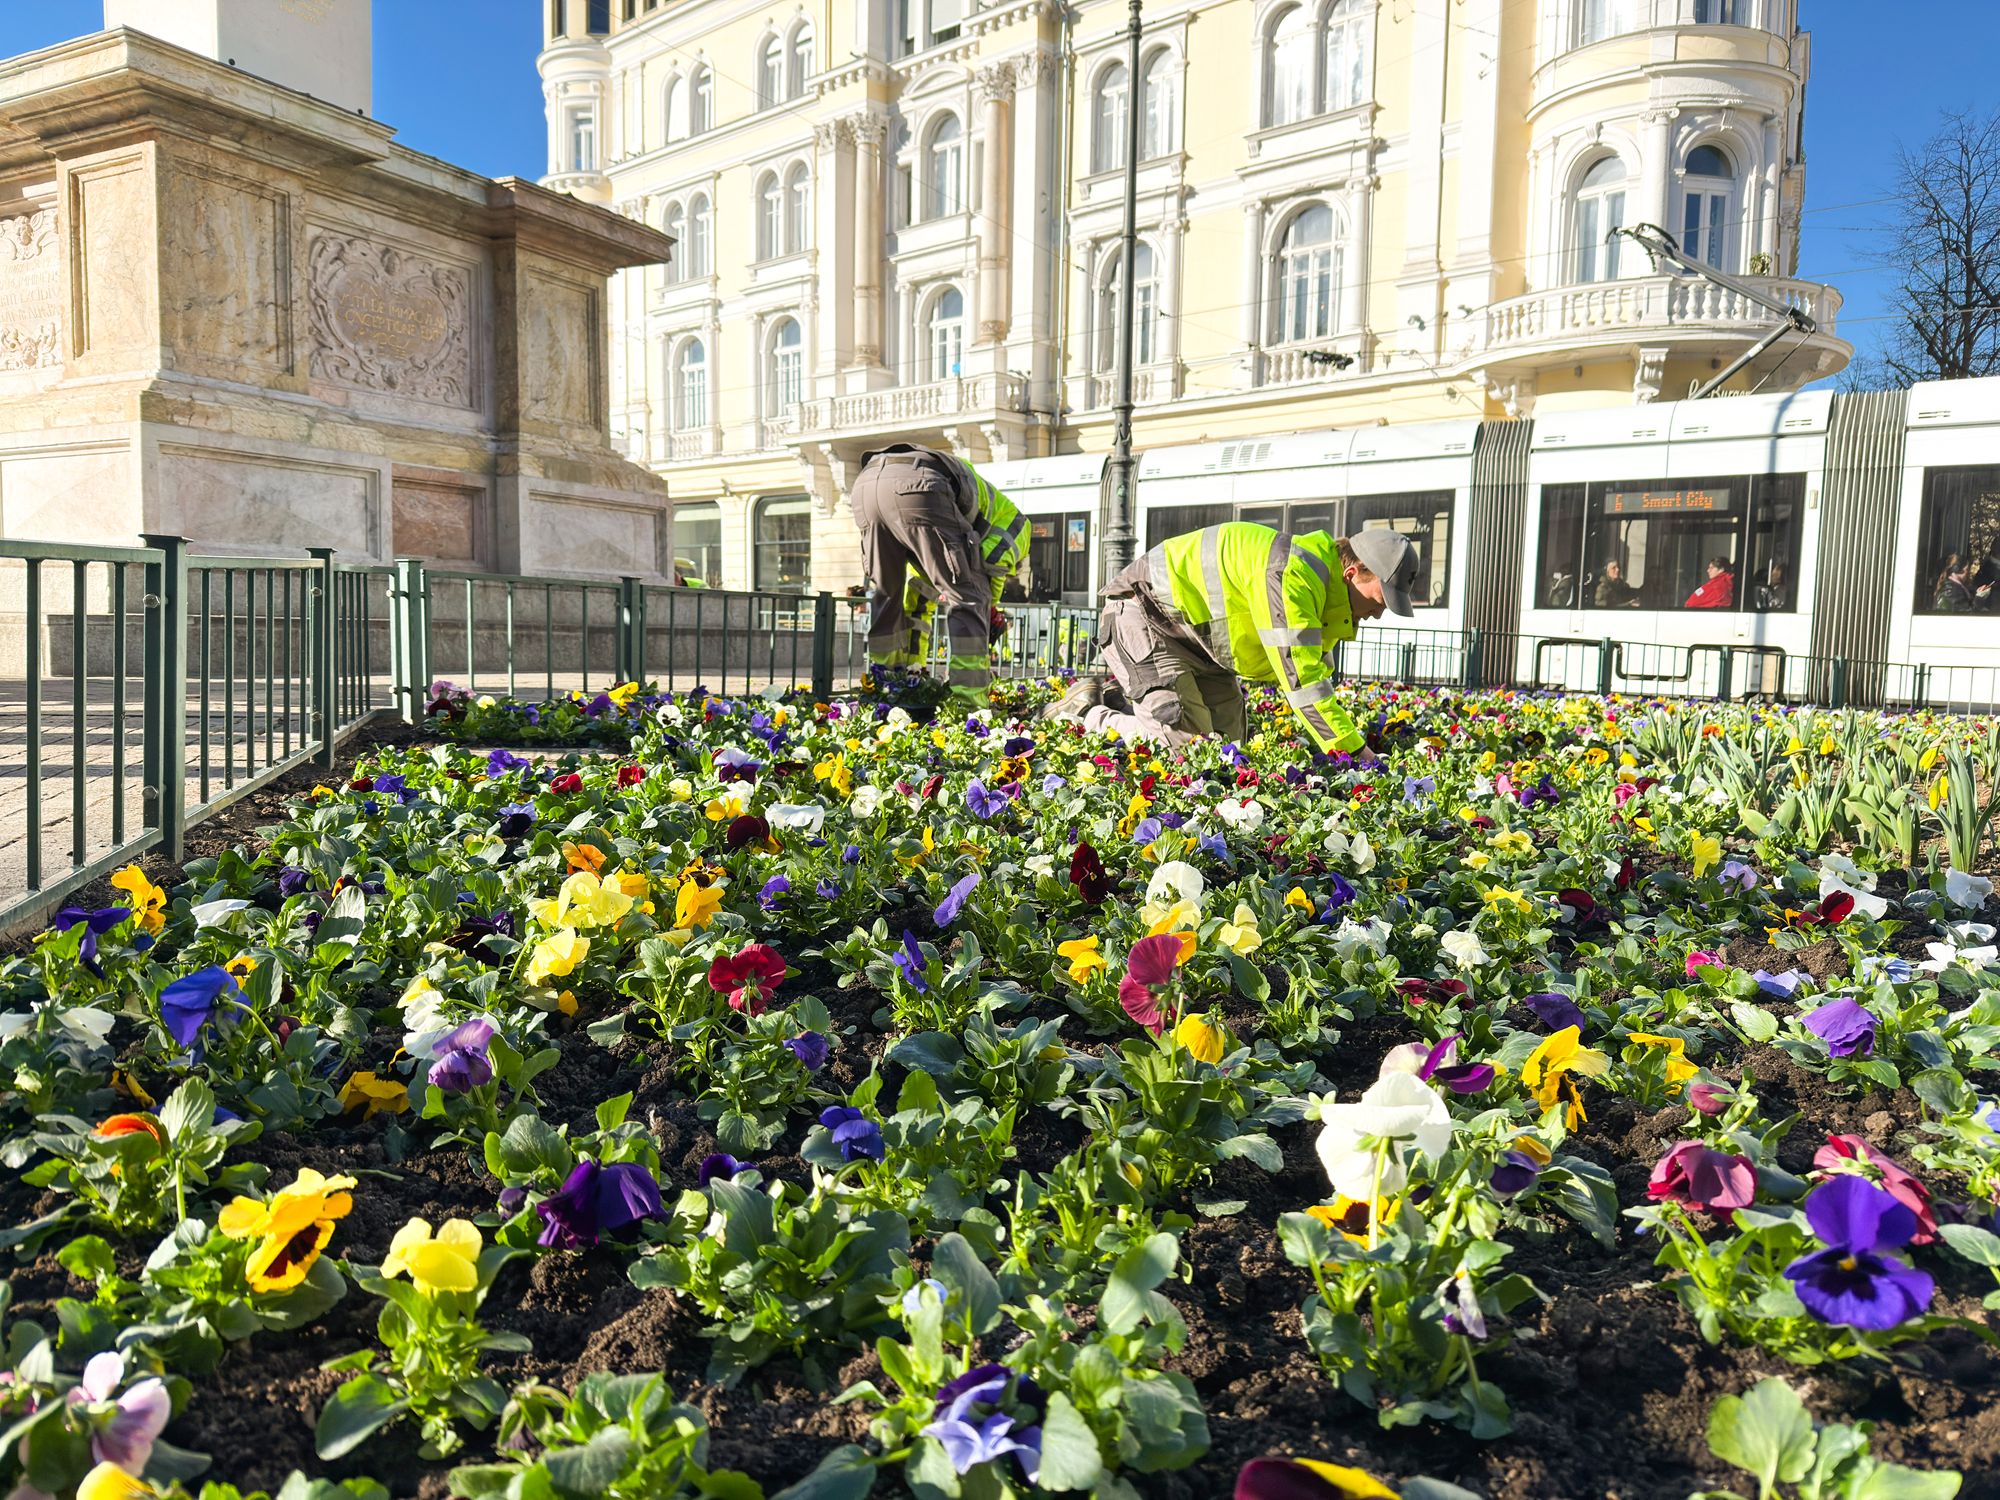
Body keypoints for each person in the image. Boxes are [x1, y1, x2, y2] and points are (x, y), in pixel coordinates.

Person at [1043, 522, 1421, 762]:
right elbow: (1302, 682)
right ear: (1352, 574)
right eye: (1380, 599)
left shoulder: (1322, 590)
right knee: (1186, 754)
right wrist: (1356, 753)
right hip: (1145, 617)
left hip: (1200, 646)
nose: (1379, 613)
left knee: (1226, 753)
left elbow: (1311, 675)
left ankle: (1117, 701)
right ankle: (1086, 714)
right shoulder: (1293, 575)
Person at [848, 443, 1029, 706]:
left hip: (865, 485)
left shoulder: (959, 524)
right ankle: (969, 707)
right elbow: (993, 562)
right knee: (969, 598)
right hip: (921, 487)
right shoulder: (1020, 525)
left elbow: (921, 594)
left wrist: (916, 669)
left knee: (888, 597)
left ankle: (887, 689)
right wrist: (991, 606)